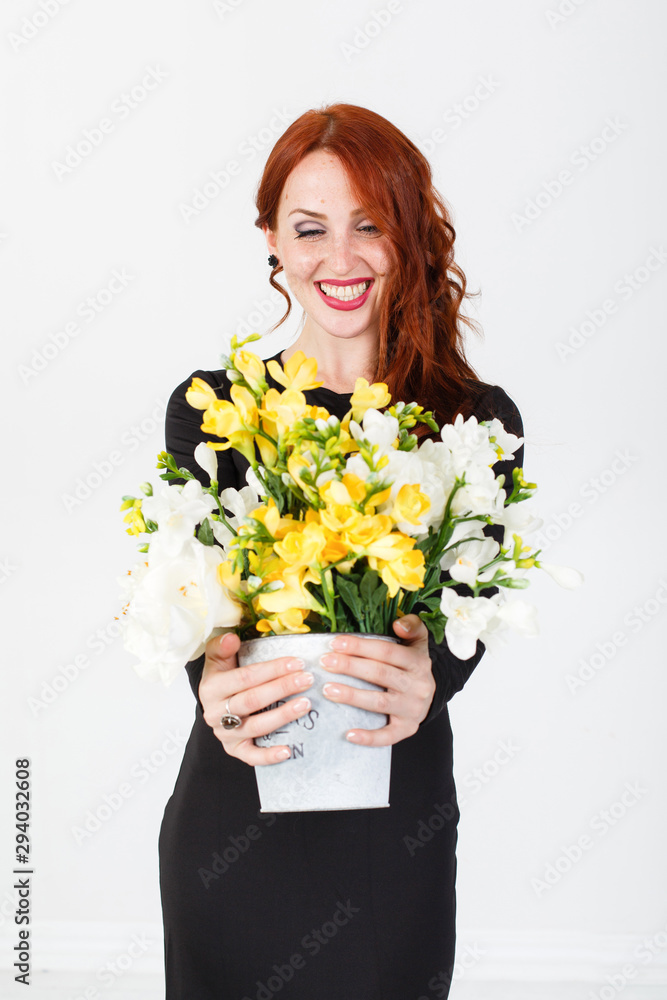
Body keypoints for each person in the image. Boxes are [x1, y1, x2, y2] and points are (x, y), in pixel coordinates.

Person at [158, 102, 523, 1000]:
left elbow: (461, 635)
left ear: (408, 234)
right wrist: (212, 677)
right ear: (273, 244)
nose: (341, 258)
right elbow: (195, 613)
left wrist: (427, 668)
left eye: (370, 225)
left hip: (389, 841)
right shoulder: (213, 409)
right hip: (234, 824)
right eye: (309, 228)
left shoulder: (476, 423)